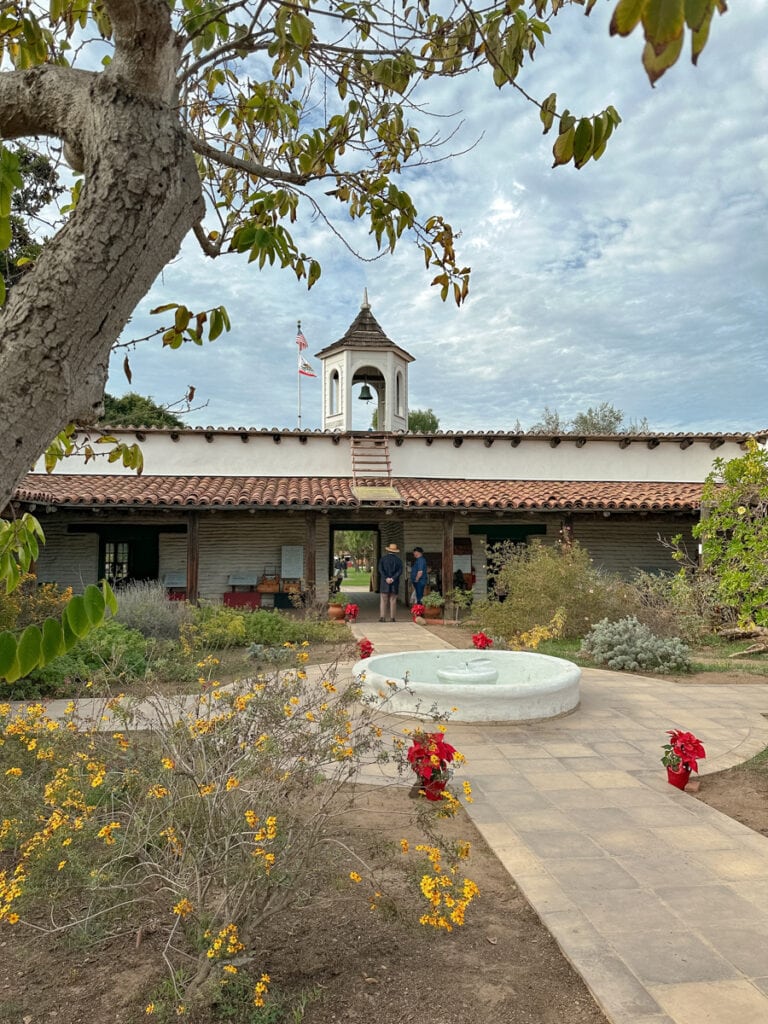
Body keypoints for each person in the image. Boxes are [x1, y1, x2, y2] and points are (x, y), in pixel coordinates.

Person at [378, 542, 403, 621]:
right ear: (395, 551)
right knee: (393, 600)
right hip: (394, 583)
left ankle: (382, 617)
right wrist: (393, 578)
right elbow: (400, 571)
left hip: (384, 582)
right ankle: (392, 618)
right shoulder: (398, 560)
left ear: (388, 550)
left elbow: (380, 570)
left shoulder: (383, 559)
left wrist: (386, 578)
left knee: (383, 600)